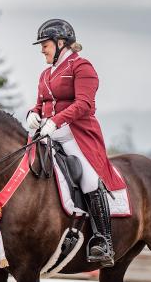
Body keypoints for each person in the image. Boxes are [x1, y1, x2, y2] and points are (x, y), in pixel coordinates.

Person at [27, 19, 126, 266]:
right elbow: (41, 103)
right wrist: (33, 113)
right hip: (48, 133)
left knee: (90, 180)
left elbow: (84, 104)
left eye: (45, 45)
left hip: (76, 135)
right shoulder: (45, 73)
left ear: (61, 43)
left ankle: (103, 241)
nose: (42, 50)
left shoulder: (82, 67)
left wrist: (56, 121)